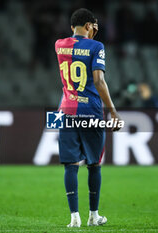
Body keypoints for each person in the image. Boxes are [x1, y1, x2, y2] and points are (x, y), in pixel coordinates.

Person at [55, 8, 122, 228]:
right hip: (91, 111)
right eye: (94, 26)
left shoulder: (59, 45)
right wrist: (112, 110)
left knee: (70, 165)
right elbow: (99, 81)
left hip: (66, 111)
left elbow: (74, 50)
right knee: (94, 164)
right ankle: (93, 216)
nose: (96, 31)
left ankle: (74, 218)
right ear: (88, 26)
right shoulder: (96, 47)